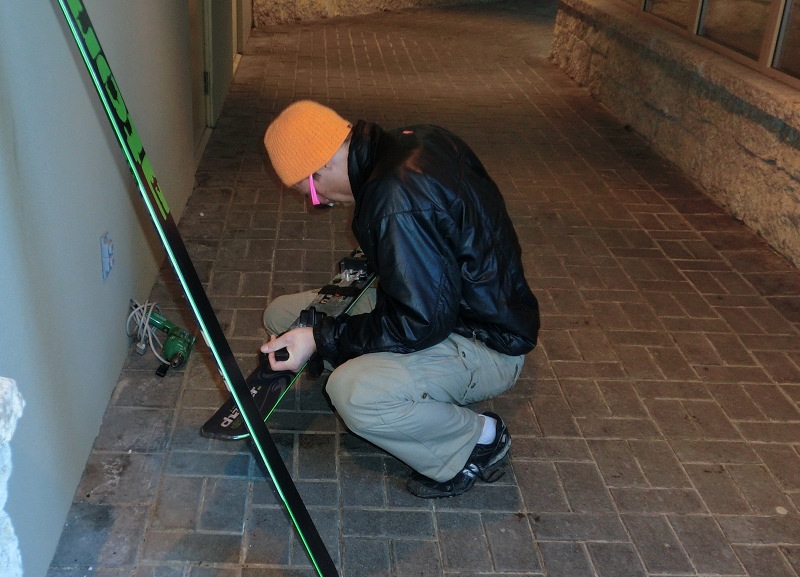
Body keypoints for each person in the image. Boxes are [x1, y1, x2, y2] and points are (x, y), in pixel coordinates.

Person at [259, 100, 540, 498]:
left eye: (312, 194)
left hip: (485, 341)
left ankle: (478, 442)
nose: (317, 203)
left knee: (353, 393)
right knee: (285, 316)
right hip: (449, 304)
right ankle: (380, 377)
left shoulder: (393, 200)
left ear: (319, 170)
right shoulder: (414, 139)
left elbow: (419, 323)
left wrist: (323, 338)